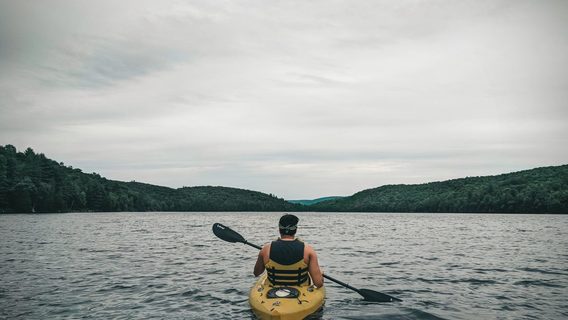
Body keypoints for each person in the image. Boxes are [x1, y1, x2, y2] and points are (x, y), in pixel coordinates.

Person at [253, 214, 324, 288]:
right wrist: (320, 275)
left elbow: (256, 273)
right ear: (295, 230)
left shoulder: (265, 250)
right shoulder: (308, 250)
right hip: (301, 294)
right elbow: (318, 283)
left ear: (279, 229)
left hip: (272, 292)